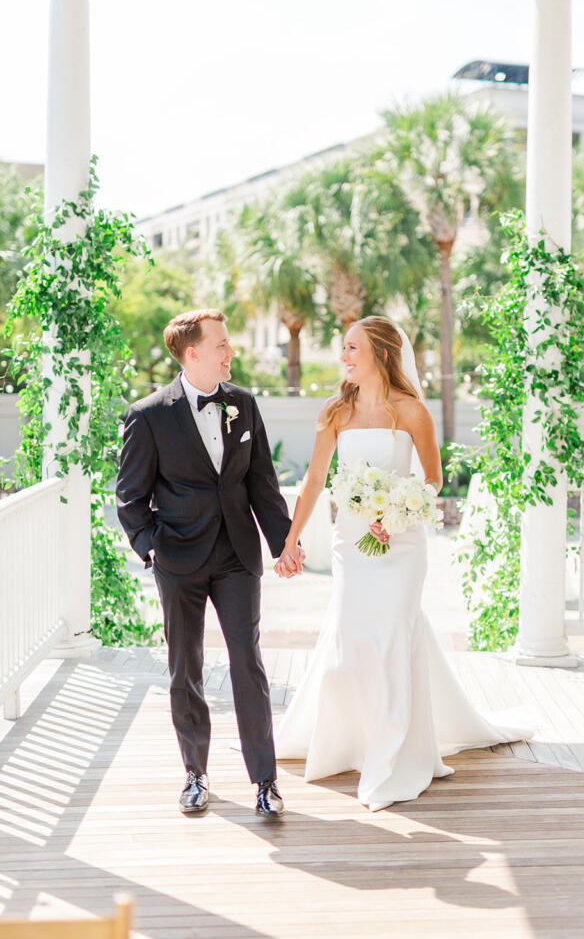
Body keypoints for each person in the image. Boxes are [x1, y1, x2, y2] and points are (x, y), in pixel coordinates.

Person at [273, 316, 535, 812]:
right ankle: (348, 742)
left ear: (381, 354)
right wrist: (291, 540)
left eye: (353, 348)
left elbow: (432, 481)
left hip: (402, 545)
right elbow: (314, 480)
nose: (344, 357)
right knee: (351, 640)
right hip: (352, 546)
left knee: (393, 635)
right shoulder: (336, 411)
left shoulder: (412, 411)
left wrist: (395, 516)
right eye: (344, 348)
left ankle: (392, 756)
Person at [116, 309, 303, 818]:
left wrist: (284, 544)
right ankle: (195, 775)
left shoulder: (243, 403)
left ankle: (265, 782)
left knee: (249, 663)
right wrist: (153, 548)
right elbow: (130, 497)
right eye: (221, 345)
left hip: (237, 555)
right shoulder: (148, 415)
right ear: (193, 353)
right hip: (178, 558)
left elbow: (262, 482)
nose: (230, 352)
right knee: (186, 666)